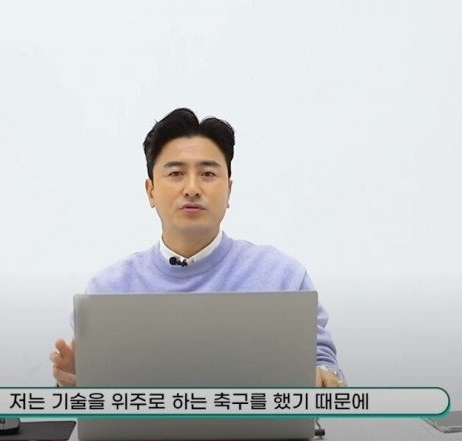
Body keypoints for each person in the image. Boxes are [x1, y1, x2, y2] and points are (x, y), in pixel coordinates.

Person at [50, 108, 345, 388]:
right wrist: (74, 384)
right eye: (176, 173)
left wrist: (325, 377)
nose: (192, 188)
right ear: (151, 191)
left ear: (229, 190)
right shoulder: (107, 291)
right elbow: (89, 400)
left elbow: (324, 366)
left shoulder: (282, 277)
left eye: (208, 174)